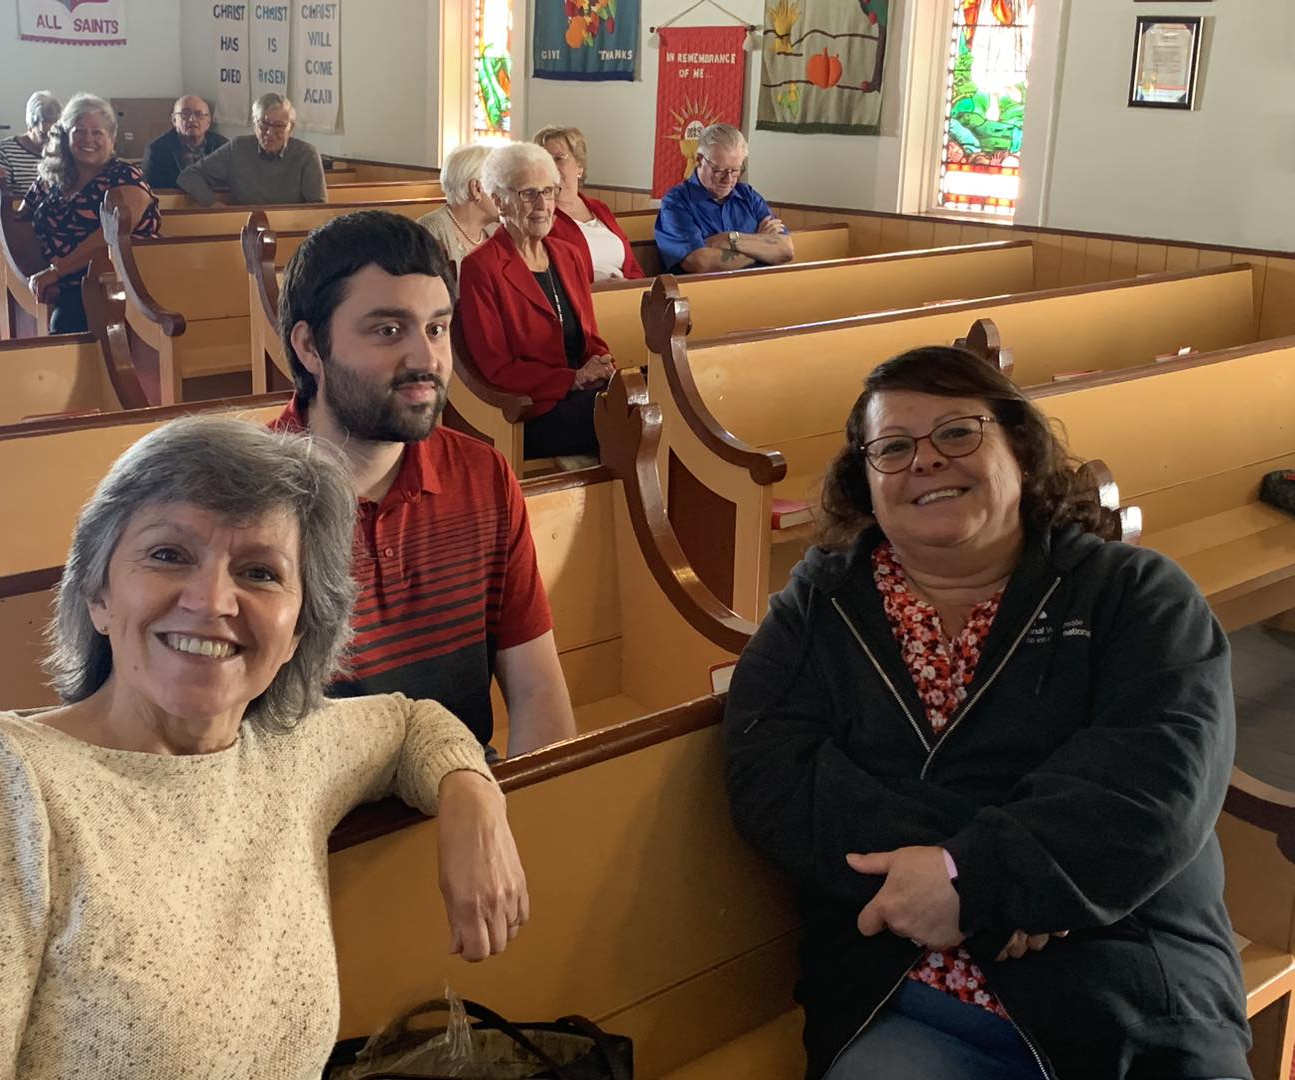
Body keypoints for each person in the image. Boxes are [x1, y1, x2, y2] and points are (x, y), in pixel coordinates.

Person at [0, 415, 528, 1075]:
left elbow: (412, 724)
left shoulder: (289, 750)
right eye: (169, 554)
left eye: (260, 572)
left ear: (298, 632)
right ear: (98, 594)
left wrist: (471, 791)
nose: (211, 601)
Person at [723, 346, 1251, 1079]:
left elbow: (1159, 781)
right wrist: (947, 882)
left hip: (1119, 979)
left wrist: (978, 878)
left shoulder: (1134, 593)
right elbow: (769, 770)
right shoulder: (820, 607)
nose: (926, 461)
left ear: (1021, 451)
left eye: (958, 433)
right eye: (894, 448)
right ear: (865, 484)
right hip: (900, 986)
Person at [274, 210, 577, 760]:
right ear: (310, 348)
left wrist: (532, 817)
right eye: (388, 331)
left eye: (437, 328)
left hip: (467, 800)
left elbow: (537, 689)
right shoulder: (247, 500)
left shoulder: (483, 477)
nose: (426, 359)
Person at [456, 142, 616, 460]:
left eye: (549, 191)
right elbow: (497, 370)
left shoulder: (568, 255)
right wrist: (572, 379)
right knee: (625, 419)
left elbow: (591, 339)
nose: (543, 204)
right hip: (532, 410)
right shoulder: (482, 268)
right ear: (500, 200)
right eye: (529, 193)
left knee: (651, 398)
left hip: (584, 395)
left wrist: (601, 364)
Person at [22, 93, 161, 334]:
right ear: (66, 136)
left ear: (112, 139)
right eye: (79, 131)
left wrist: (57, 271)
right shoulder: (51, 177)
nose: (89, 139)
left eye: (97, 132)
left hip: (116, 282)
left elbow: (111, 237)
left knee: (65, 321)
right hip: (58, 283)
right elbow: (20, 219)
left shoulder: (126, 176)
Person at [654, 123, 794, 274]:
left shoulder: (748, 195)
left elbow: (786, 250)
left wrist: (731, 239)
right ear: (699, 160)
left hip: (758, 289)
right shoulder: (676, 202)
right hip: (703, 293)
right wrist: (761, 247)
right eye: (719, 170)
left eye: (735, 170)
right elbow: (700, 263)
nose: (728, 179)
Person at [533, 124, 642, 281]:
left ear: (579, 166)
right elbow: (554, 276)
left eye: (558, 158)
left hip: (623, 295)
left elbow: (632, 266)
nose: (551, 167)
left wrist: (635, 291)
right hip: (586, 299)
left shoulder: (599, 208)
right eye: (544, 160)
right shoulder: (541, 216)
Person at [176, 93, 324, 207]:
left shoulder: (306, 155)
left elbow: (319, 209)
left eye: (279, 125)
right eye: (263, 124)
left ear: (291, 128)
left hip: (293, 231)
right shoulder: (238, 148)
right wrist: (212, 204)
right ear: (254, 124)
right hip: (247, 230)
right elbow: (188, 176)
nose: (270, 132)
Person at [417, 140, 499, 276]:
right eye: (499, 185)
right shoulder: (431, 231)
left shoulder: (496, 229)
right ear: (476, 188)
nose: (507, 194)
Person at [141, 94, 229, 190]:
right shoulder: (157, 150)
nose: (192, 119)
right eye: (185, 114)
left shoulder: (223, 146)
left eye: (199, 114)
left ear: (208, 122)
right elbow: (153, 192)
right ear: (174, 120)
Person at [0, 90, 62, 194]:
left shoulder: (62, 150)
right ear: (30, 126)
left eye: (54, 135)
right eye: (43, 134)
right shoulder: (4, 151)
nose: (50, 141)